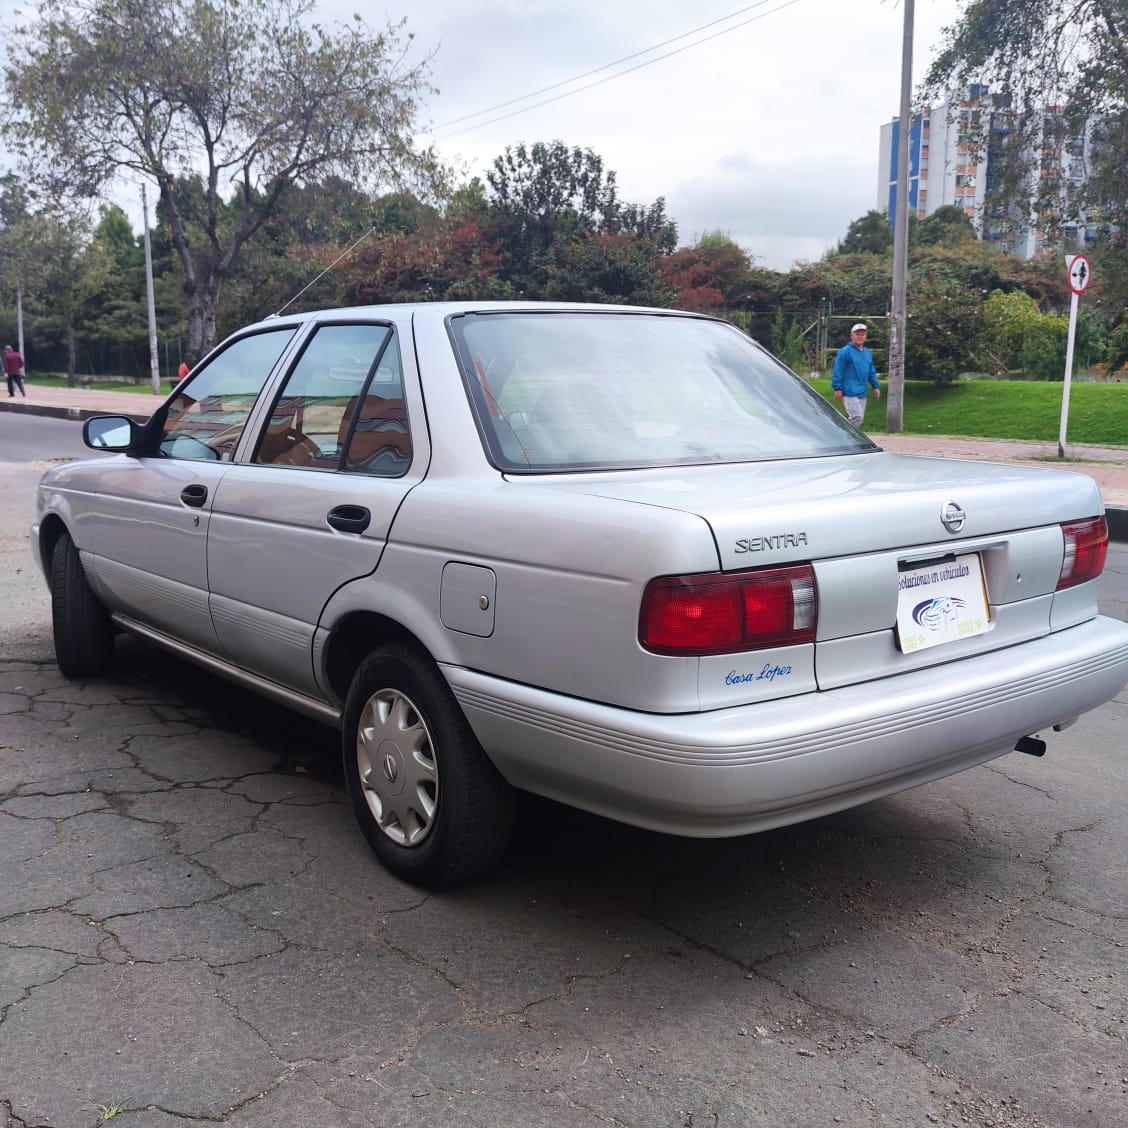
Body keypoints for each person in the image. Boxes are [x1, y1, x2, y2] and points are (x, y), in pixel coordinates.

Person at [831, 323, 880, 427]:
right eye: (857, 334)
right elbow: (838, 370)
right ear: (851, 336)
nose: (860, 336)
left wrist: (876, 386)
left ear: (865, 336)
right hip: (849, 391)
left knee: (859, 419)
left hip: (862, 391)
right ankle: (842, 435)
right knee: (856, 417)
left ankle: (850, 439)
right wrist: (837, 388)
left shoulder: (867, 353)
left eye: (862, 334)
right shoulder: (845, 352)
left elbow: (871, 371)